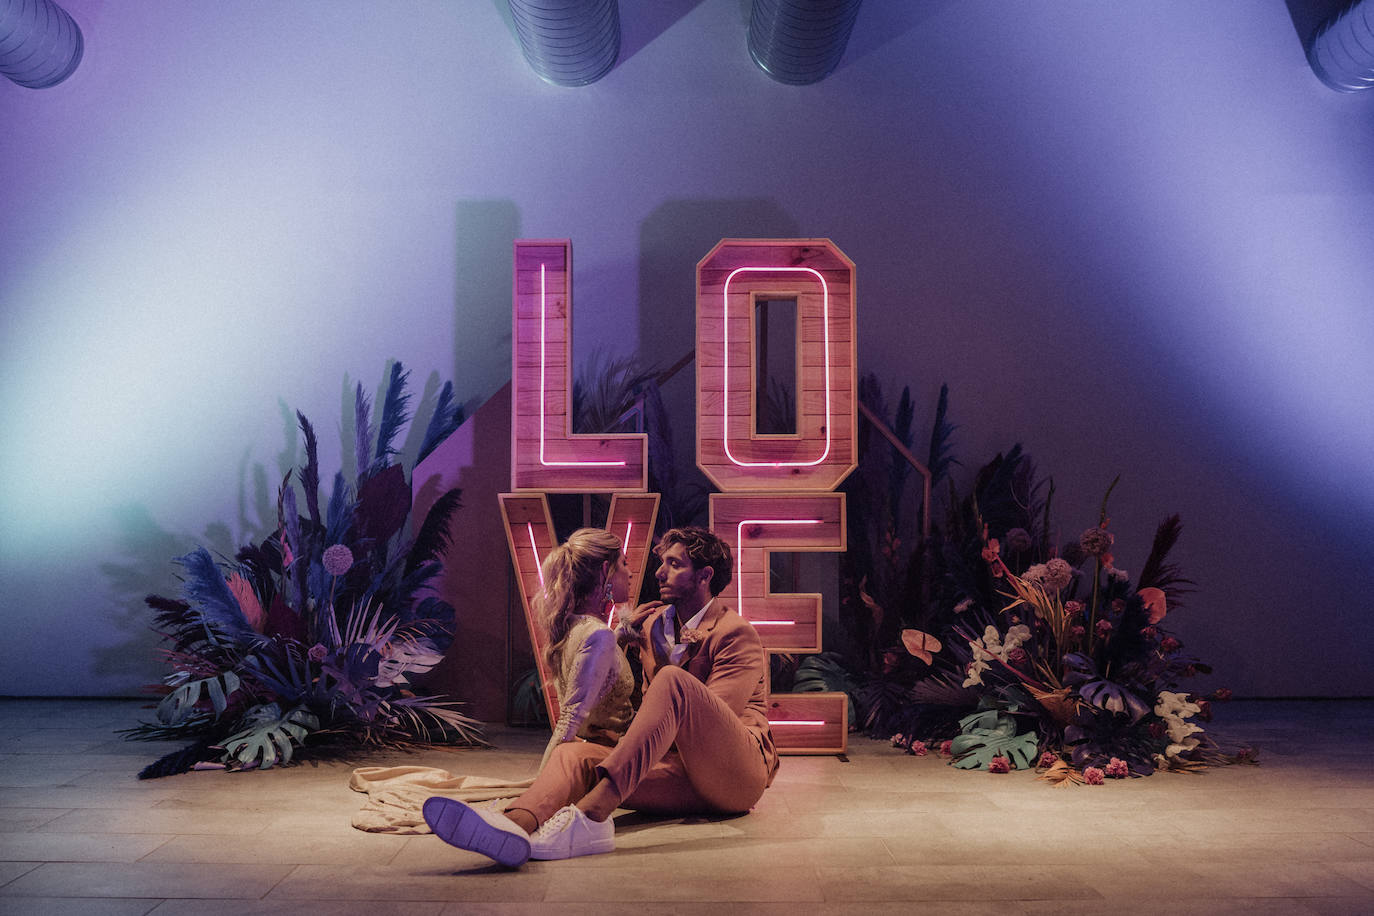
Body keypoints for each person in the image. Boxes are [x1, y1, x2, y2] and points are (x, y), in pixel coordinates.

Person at [422, 525, 778, 866]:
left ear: (705, 576)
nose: (659, 572)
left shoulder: (736, 633)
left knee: (671, 681)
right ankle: (512, 826)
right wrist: (623, 740)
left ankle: (591, 817)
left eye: (675, 564)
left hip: (733, 774)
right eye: (662, 561)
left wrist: (630, 747)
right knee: (572, 753)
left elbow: (717, 719)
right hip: (680, 779)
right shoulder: (652, 625)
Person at [531, 528, 636, 772]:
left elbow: (602, 681)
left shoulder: (573, 626)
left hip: (605, 748)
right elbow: (569, 720)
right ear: (604, 571)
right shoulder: (598, 635)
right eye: (623, 563)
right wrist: (541, 786)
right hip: (613, 759)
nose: (630, 573)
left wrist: (620, 636)